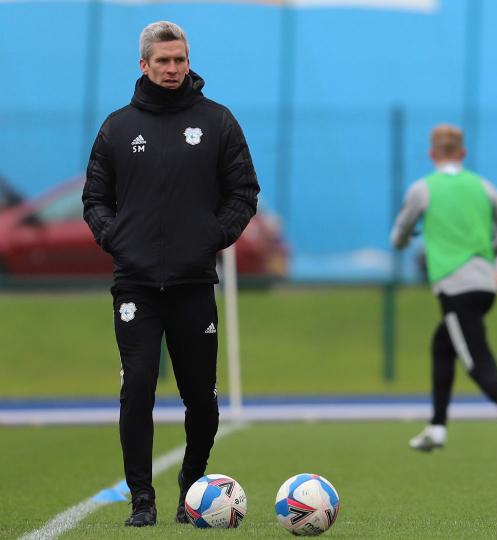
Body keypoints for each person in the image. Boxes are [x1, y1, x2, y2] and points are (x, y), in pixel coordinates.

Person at [82, 21, 260, 525]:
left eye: (179, 59)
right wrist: (116, 240)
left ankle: (192, 487)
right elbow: (94, 199)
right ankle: (141, 500)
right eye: (162, 61)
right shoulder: (117, 128)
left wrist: (211, 236)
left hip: (193, 285)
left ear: (187, 61)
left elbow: (244, 192)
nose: (172, 68)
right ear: (143, 65)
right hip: (135, 286)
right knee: (137, 387)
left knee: (201, 401)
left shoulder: (218, 122)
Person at [391, 124, 497, 460]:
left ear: (431, 154)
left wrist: (407, 240)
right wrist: (488, 250)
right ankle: (436, 426)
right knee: (442, 346)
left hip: (456, 287)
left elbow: (399, 235)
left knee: (479, 365)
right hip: (485, 285)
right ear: (463, 154)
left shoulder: (423, 190)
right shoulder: (483, 186)